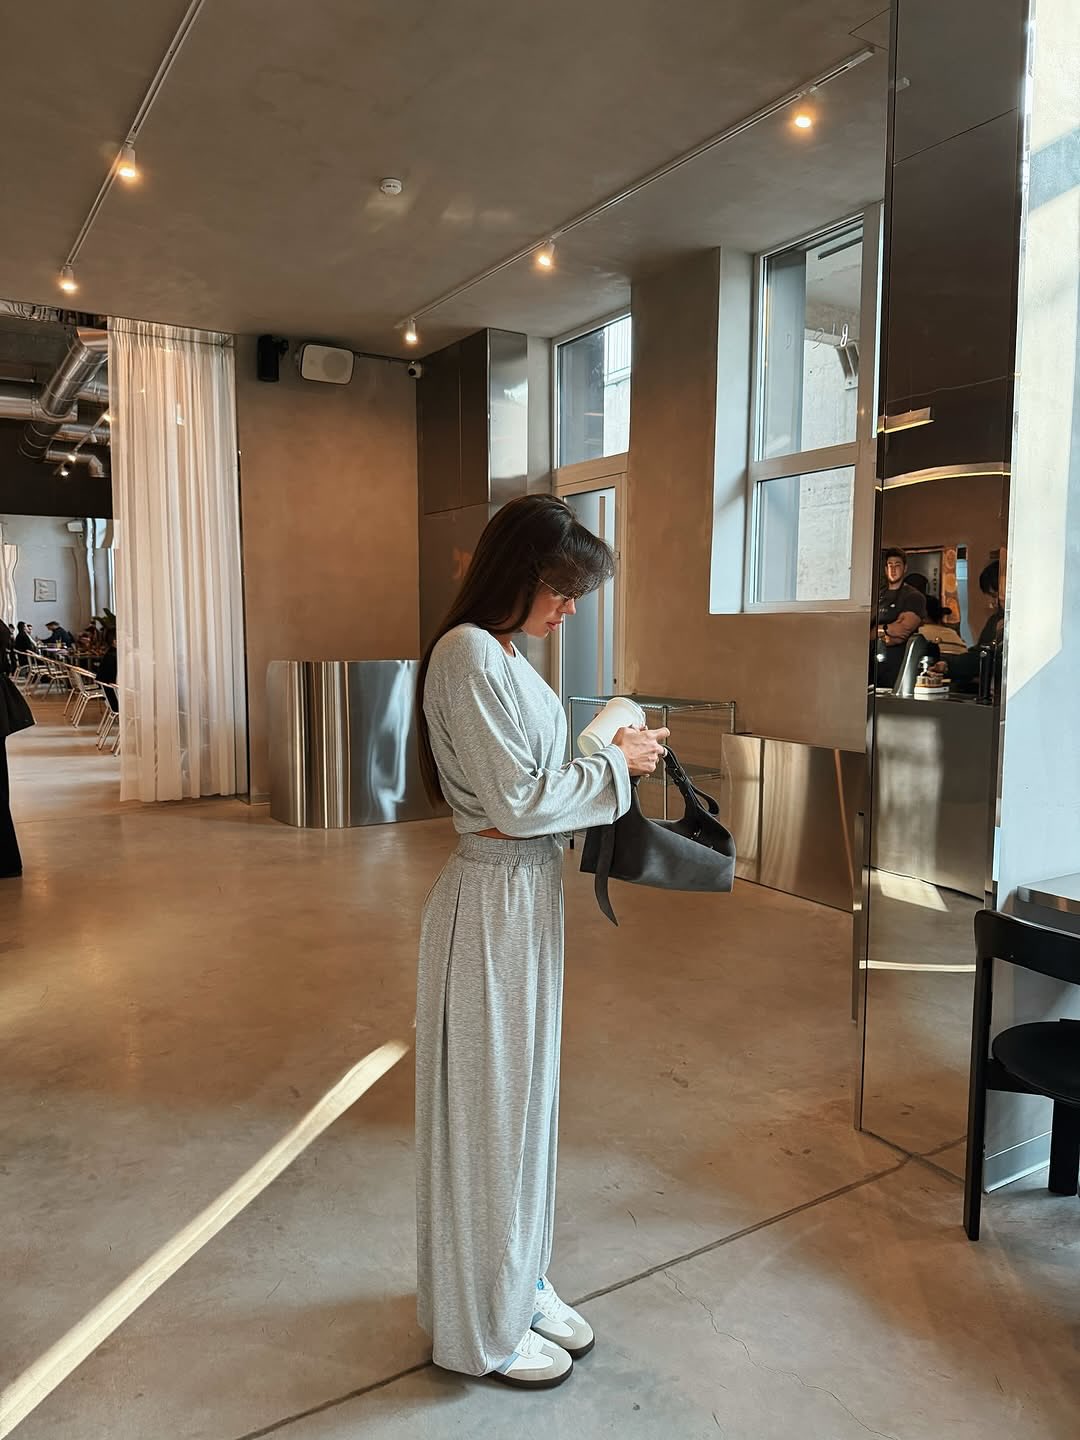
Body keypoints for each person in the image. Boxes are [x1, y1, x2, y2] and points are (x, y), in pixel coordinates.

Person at [414, 495, 668, 1391]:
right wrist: (614, 763)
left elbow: (529, 788)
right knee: (493, 1114)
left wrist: (602, 751)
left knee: (523, 1108)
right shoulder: (467, 654)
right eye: (562, 589)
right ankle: (480, 1325)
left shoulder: (502, 653)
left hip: (522, 897)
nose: (571, 608)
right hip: (491, 900)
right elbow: (519, 804)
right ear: (517, 574)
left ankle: (515, 1280)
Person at [873, 548, 927, 689]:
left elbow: (901, 633)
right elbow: (862, 631)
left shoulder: (913, 596)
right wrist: (887, 630)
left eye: (897, 565)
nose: (893, 569)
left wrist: (877, 630)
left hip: (898, 664)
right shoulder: (876, 595)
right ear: (885, 569)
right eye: (890, 565)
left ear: (905, 568)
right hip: (872, 664)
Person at [97, 630, 119, 711]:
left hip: (108, 694)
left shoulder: (110, 654)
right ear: (115, 641)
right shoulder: (114, 657)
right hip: (115, 698)